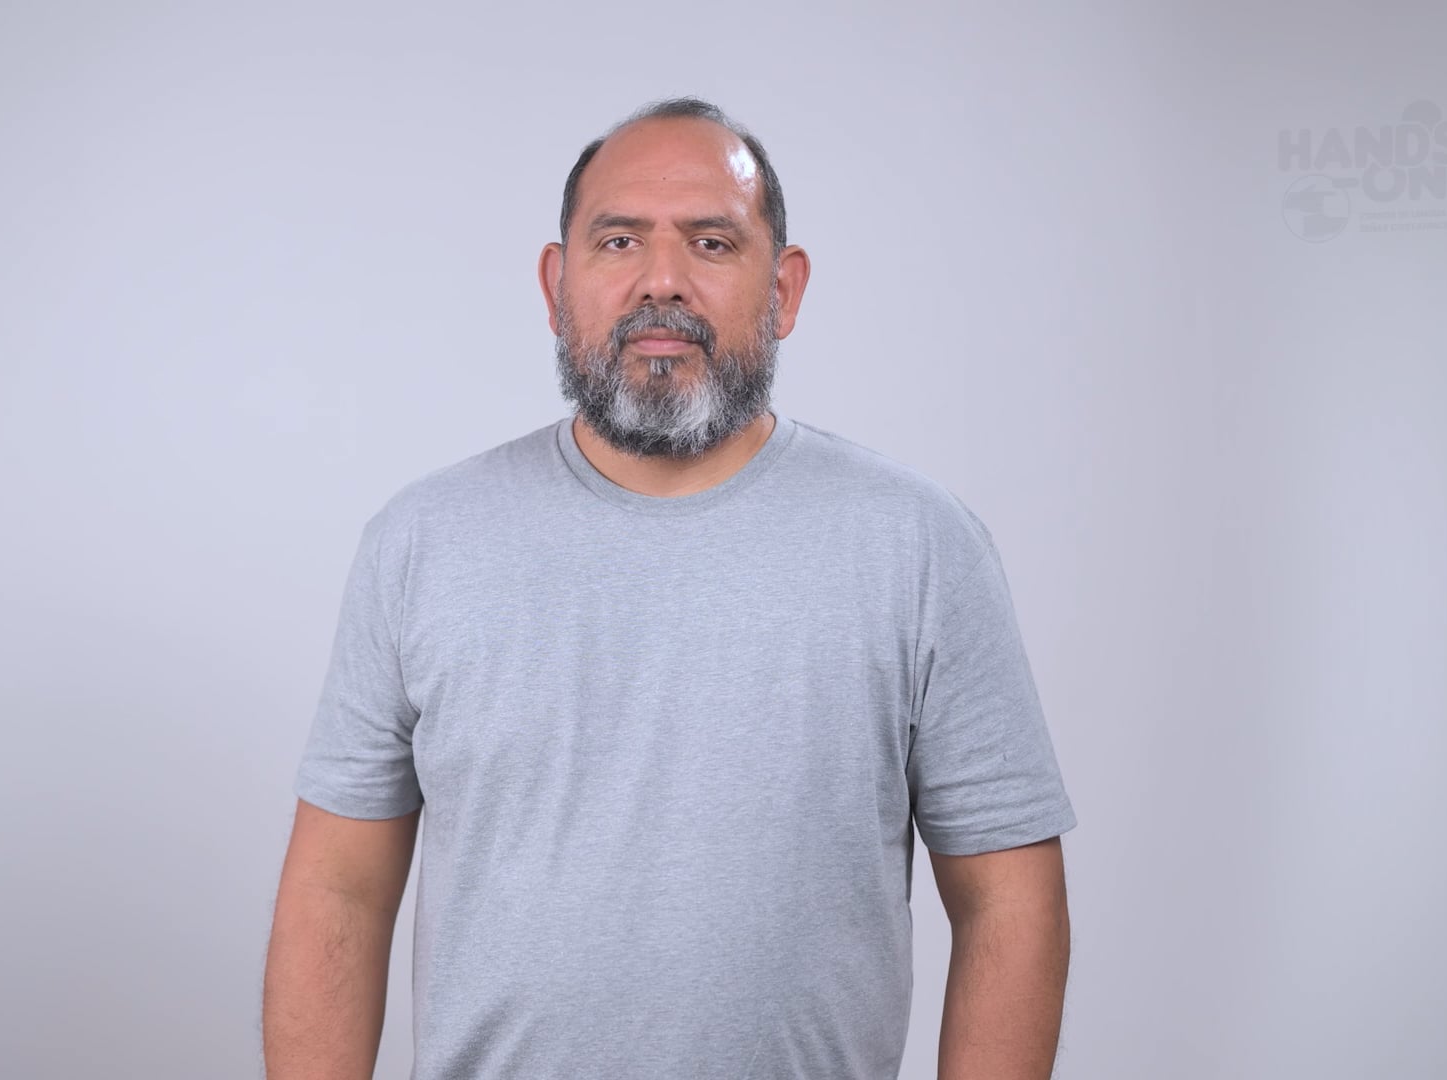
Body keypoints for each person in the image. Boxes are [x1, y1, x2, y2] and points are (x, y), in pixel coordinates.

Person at [262, 96, 1078, 1080]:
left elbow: (1009, 901)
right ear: (556, 284)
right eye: (618, 241)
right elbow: (338, 894)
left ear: (784, 289)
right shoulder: (421, 543)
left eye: (711, 243)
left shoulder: (920, 545)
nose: (662, 281)